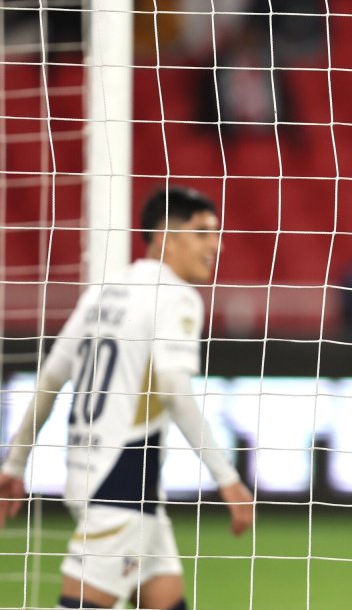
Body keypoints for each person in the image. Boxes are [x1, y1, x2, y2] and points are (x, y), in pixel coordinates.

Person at [0, 187, 255, 609]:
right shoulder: (176, 298)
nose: (217, 243)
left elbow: (50, 378)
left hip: (98, 474)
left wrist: (15, 462)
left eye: (217, 232)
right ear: (165, 237)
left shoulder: (103, 293)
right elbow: (174, 389)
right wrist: (226, 476)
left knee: (163, 597)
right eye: (202, 232)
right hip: (120, 485)